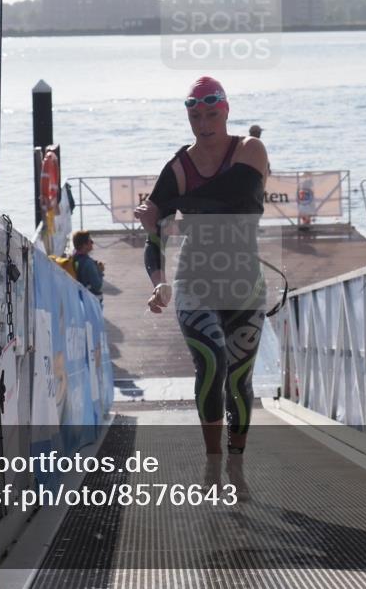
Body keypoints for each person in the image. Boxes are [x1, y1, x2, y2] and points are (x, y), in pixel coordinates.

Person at [134, 77, 270, 482]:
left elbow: (234, 197)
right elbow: (154, 236)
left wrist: (169, 205)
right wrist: (158, 281)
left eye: (212, 114)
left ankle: (236, 462)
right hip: (195, 280)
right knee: (212, 363)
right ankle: (213, 464)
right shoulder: (179, 166)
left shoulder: (250, 149)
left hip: (245, 281)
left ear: (225, 112)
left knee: (239, 380)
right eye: (196, 117)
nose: (204, 124)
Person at [71, 230, 104, 304]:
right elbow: (97, 285)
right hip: (92, 302)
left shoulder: (74, 258)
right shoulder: (88, 263)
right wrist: (100, 271)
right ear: (84, 245)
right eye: (90, 241)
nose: (92, 243)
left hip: (80, 298)